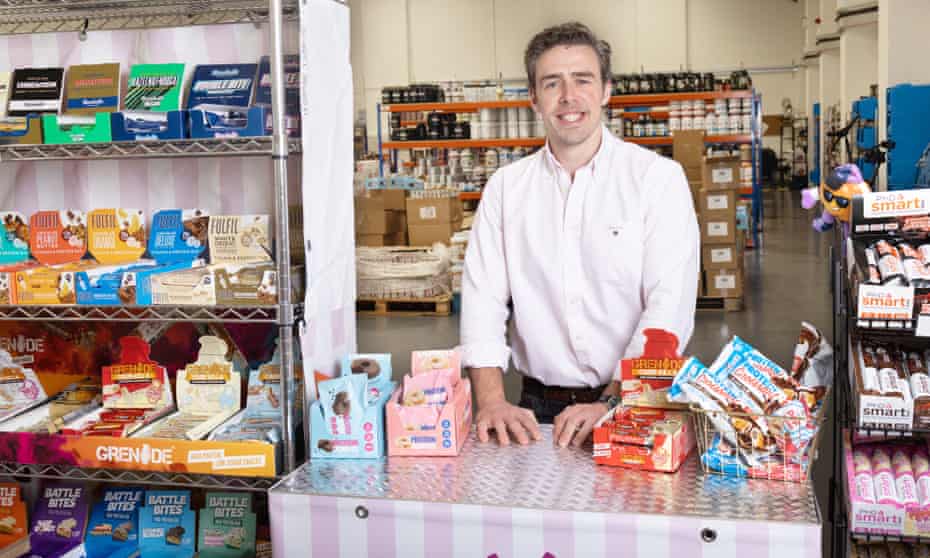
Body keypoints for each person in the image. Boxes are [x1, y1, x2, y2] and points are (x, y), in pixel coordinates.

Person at [460, 22, 699, 449]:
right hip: (535, 411)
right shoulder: (505, 188)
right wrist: (491, 401)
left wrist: (615, 398)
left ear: (606, 89)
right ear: (534, 98)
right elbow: (482, 300)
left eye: (583, 80)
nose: (569, 97)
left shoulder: (656, 179)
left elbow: (669, 306)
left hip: (635, 402)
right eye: (552, 83)